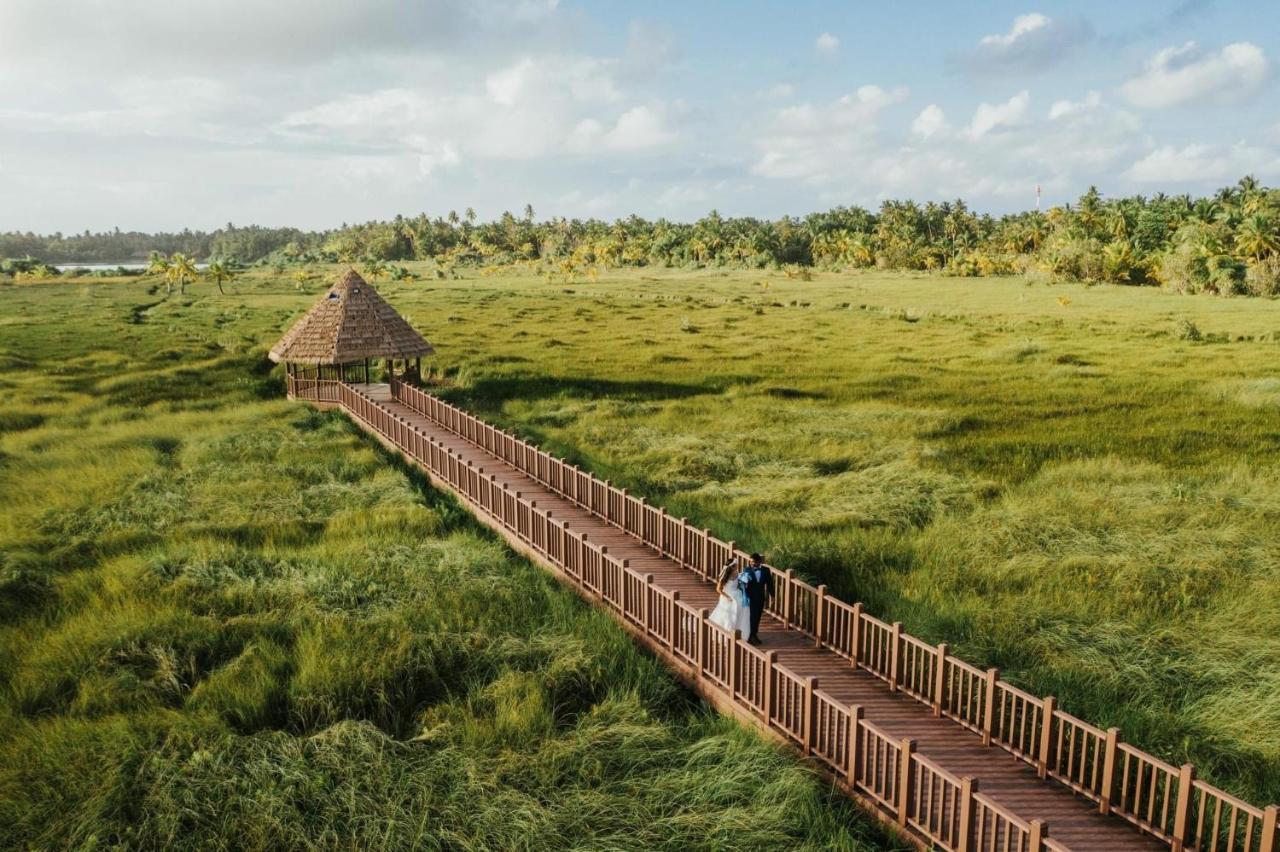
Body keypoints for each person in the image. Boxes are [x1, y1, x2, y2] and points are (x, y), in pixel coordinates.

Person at [708, 556, 751, 637]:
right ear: (732, 566)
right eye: (736, 564)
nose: (738, 565)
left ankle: (737, 630)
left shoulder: (737, 573)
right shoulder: (725, 576)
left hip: (737, 594)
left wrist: (743, 582)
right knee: (728, 615)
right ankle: (726, 631)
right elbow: (718, 589)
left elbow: (738, 584)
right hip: (727, 596)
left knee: (740, 611)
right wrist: (727, 597)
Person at [737, 553, 773, 645]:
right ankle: (751, 636)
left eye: (753, 561)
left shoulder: (766, 570)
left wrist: (772, 596)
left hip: (760, 597)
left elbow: (770, 584)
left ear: (759, 562)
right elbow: (742, 584)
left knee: (757, 617)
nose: (751, 563)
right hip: (750, 597)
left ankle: (754, 634)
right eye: (750, 561)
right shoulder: (747, 570)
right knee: (751, 617)